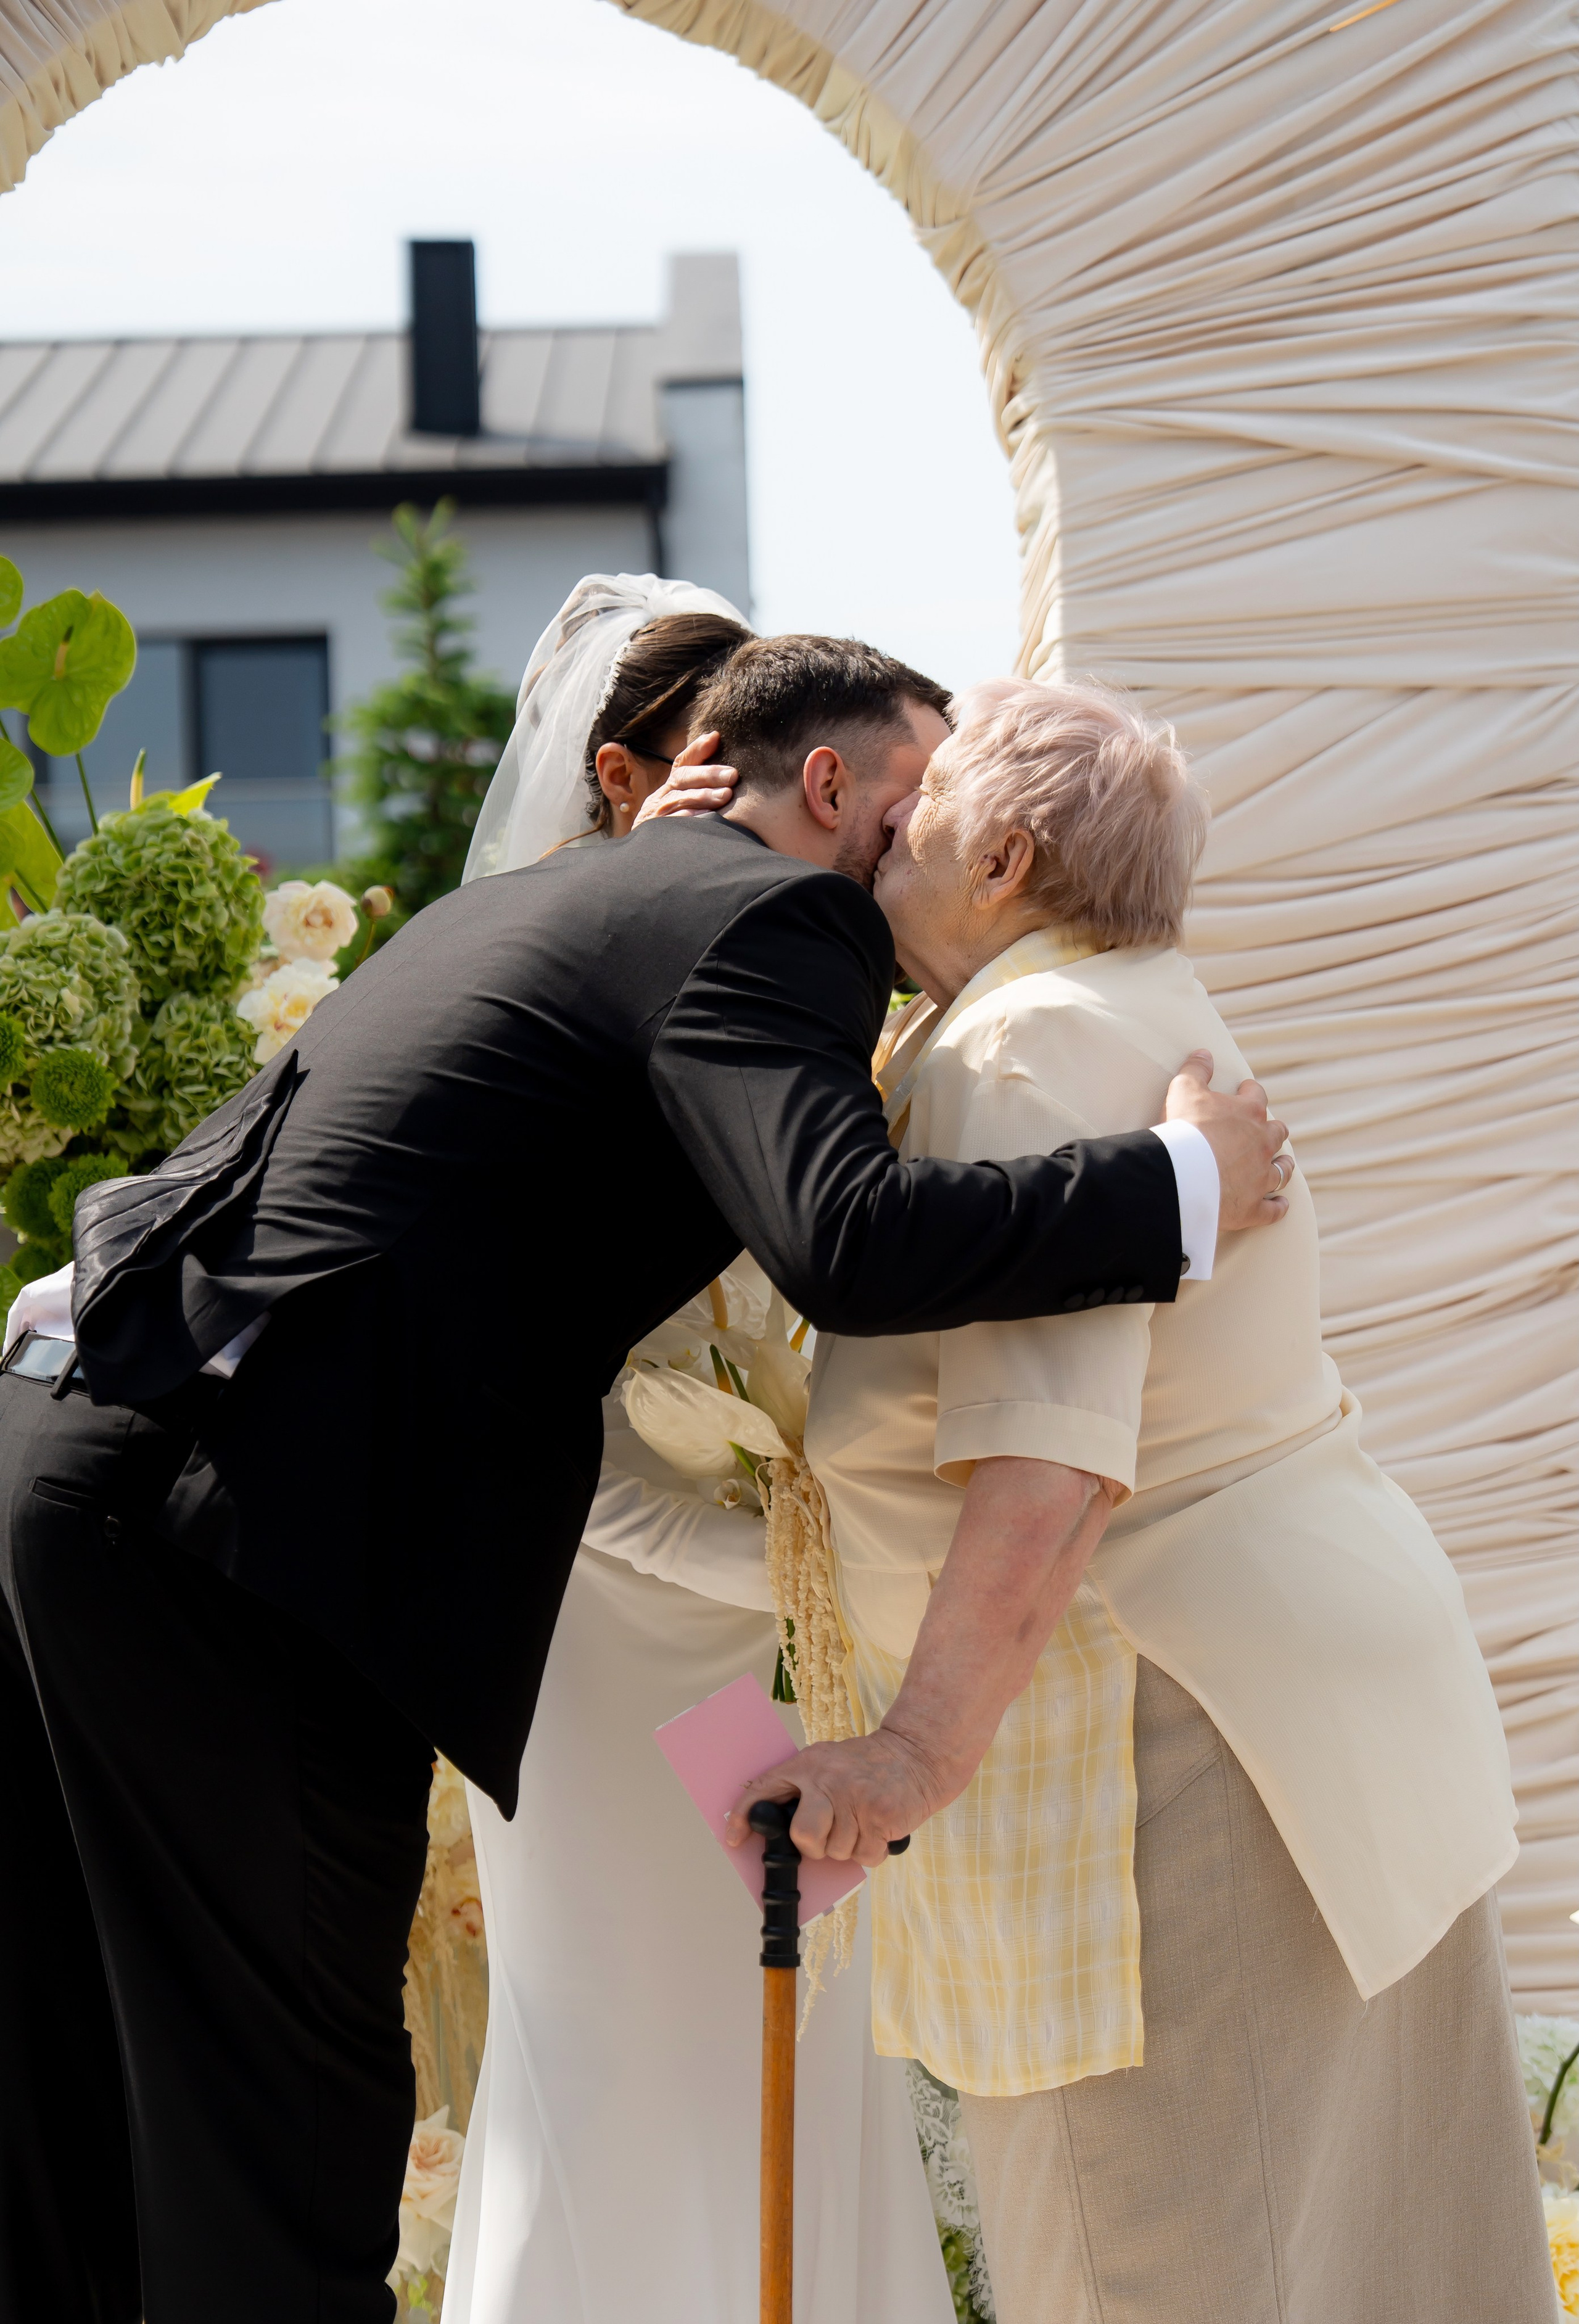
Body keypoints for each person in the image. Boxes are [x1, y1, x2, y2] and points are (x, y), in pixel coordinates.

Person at [0, 610, 1288, 2323]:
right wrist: (1178, 1185)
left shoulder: (564, 898)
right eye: (919, 797)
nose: (944, 844)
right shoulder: (775, 911)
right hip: (236, 1535)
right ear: (827, 786)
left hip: (78, 1447)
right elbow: (851, 1240)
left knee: (74, 2123)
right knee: (281, 2137)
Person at [726, 677, 1552, 2324]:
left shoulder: (1021, 1043)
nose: (895, 821)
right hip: (1311, 1675)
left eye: (933, 804)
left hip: (1178, 1721)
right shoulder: (1142, 1000)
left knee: (1156, 2253)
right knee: (1395, 2251)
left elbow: (1054, 1457)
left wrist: (911, 1754)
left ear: (1008, 856)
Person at [442, 575, 954, 2324]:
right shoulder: (546, 1012)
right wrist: (811, 1567)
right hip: (607, 1616)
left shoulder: (793, 1001)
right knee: (613, 2063)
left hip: (772, 1624)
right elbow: (531, 1393)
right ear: (621, 779)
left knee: (810, 2048)